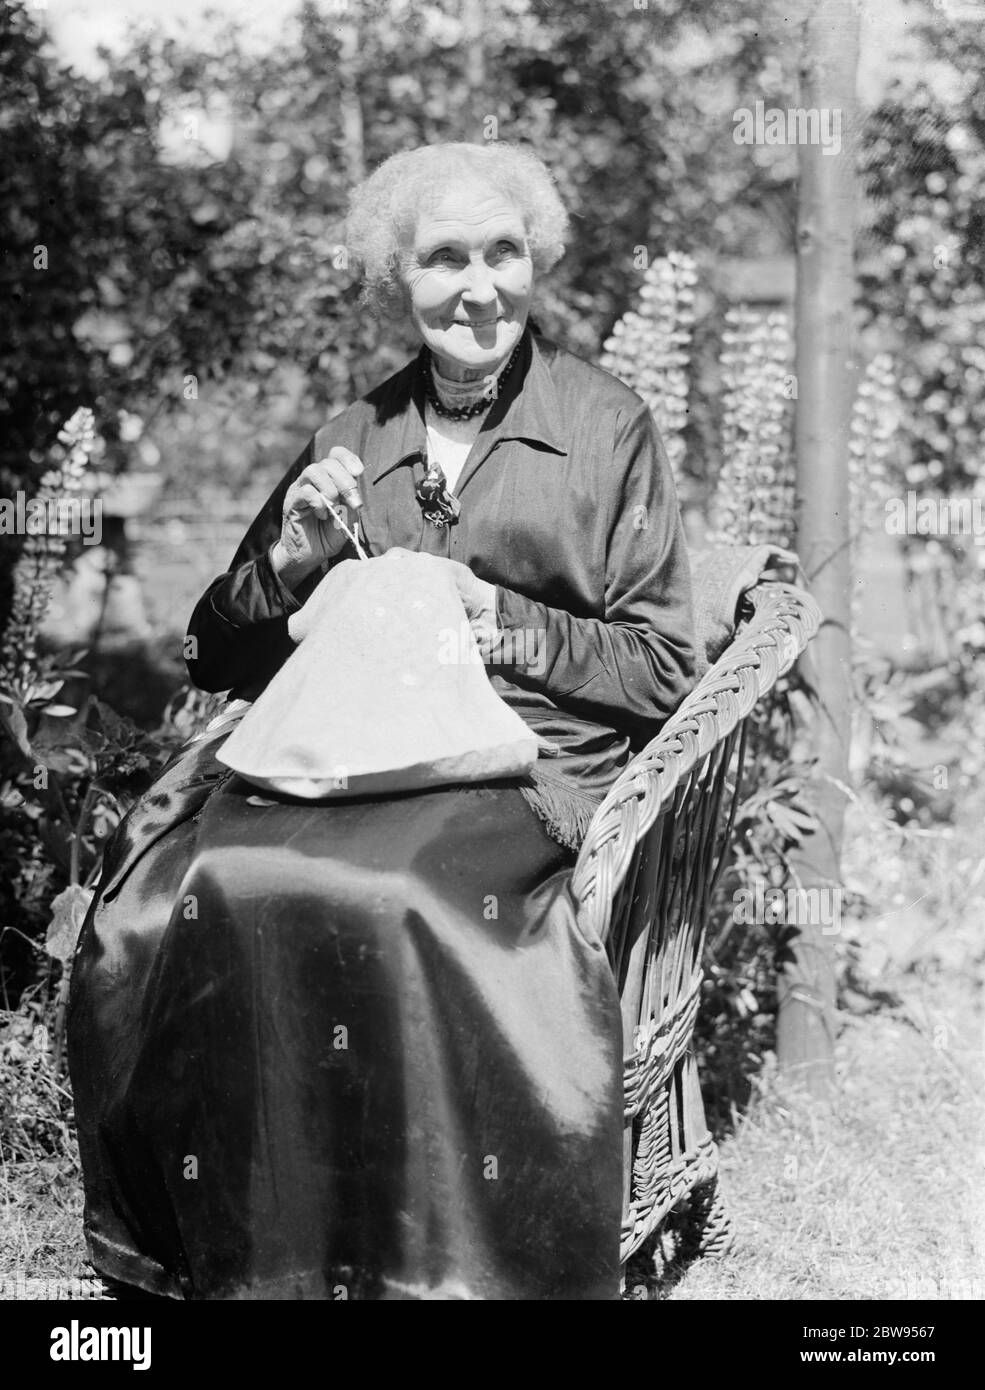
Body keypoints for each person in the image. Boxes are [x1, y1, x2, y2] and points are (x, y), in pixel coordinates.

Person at [68, 141, 698, 1301]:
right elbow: (216, 654)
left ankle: (444, 1265)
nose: (478, 287)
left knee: (399, 890)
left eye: (502, 252)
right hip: (359, 750)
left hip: (522, 763)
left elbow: (666, 669)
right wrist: (285, 559)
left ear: (537, 261)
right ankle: (260, 1253)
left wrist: (501, 622)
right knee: (226, 871)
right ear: (395, 279)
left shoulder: (609, 430)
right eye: (443, 258)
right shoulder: (353, 435)